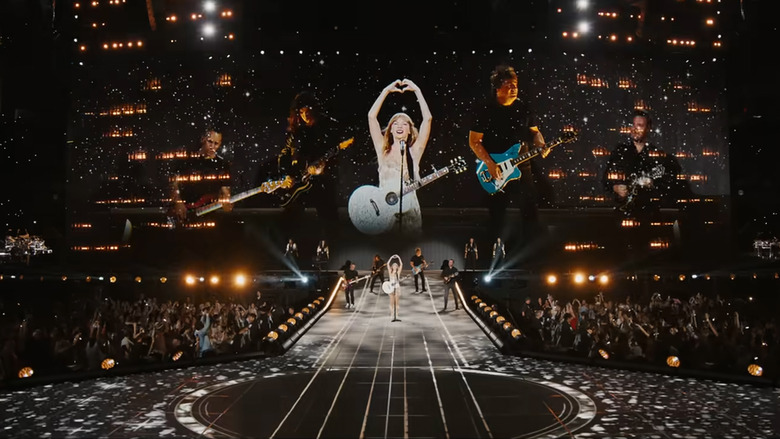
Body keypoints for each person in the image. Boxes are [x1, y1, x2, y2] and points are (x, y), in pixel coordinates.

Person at [468, 65, 550, 249]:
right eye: (509, 85)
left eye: (515, 85)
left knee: (530, 209)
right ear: (497, 88)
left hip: (522, 164)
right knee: (496, 213)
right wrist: (489, 163)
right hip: (495, 166)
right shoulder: (485, 109)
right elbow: (474, 142)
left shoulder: (523, 107)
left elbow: (535, 133)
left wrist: (541, 144)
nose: (514, 89)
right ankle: (491, 252)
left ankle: (531, 251)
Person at [277, 91, 354, 239]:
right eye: (301, 112)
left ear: (314, 109)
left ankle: (331, 248)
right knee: (292, 218)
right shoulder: (297, 132)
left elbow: (334, 153)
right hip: (300, 184)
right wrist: (286, 175)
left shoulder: (329, 127)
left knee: (328, 218)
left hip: (323, 184)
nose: (305, 115)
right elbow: (284, 155)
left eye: (307, 111)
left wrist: (323, 168)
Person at [603, 110, 677, 248]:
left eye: (640, 125)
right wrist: (616, 188)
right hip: (622, 215)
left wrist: (652, 184)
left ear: (648, 128)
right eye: (633, 125)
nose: (635, 129)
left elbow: (666, 185)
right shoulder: (619, 152)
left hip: (647, 216)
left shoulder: (656, 155)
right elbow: (605, 180)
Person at [368, 78, 432, 235]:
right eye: (395, 123)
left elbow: (428, 119)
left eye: (404, 124)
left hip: (409, 211)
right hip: (384, 210)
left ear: (410, 130)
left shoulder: (414, 152)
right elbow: (371, 116)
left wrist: (417, 90)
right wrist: (386, 91)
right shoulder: (382, 150)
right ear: (390, 129)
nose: (399, 126)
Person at [169, 129, 232, 224]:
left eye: (216, 144)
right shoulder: (186, 160)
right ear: (203, 139)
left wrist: (226, 201)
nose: (212, 147)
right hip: (184, 213)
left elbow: (225, 191)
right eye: (210, 142)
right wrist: (178, 202)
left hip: (208, 215)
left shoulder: (222, 165)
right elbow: (173, 184)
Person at [386, 255, 403, 322]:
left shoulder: (398, 273)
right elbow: (387, 264)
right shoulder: (390, 272)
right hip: (391, 288)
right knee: (391, 301)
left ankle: (397, 314)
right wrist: (391, 257)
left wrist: (398, 257)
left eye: (396, 265)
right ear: (392, 266)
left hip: (397, 288)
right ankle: (392, 313)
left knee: (397, 302)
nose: (395, 266)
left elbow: (401, 264)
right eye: (393, 265)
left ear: (397, 267)